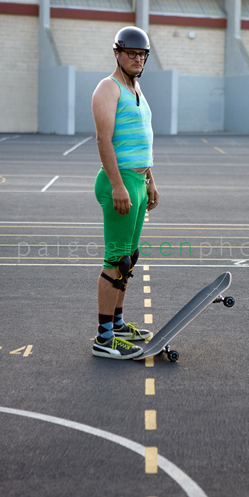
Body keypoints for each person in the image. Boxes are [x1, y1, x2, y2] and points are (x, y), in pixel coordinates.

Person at [91, 26, 159, 360]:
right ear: (117, 53)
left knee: (129, 258)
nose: (137, 59)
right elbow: (104, 140)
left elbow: (142, 139)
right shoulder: (109, 87)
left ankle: (116, 325)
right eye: (131, 53)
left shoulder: (136, 88)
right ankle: (103, 339)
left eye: (142, 54)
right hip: (118, 182)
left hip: (137, 182)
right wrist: (119, 185)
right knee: (116, 259)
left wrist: (150, 181)